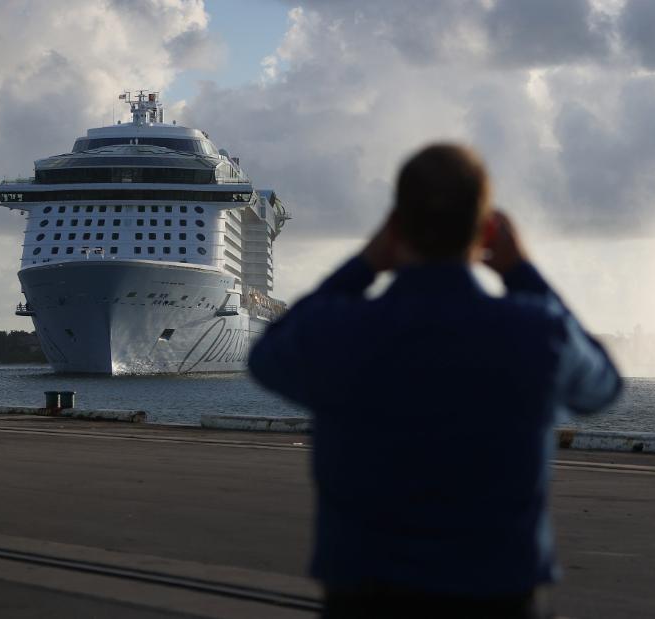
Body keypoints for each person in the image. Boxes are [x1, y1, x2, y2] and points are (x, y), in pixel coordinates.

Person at [248, 143, 621, 618]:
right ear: (486, 229)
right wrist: (522, 272)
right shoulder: (538, 331)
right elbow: (604, 386)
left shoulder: (339, 331)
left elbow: (266, 356)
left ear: (395, 228)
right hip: (499, 594)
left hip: (365, 594)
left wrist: (363, 264)